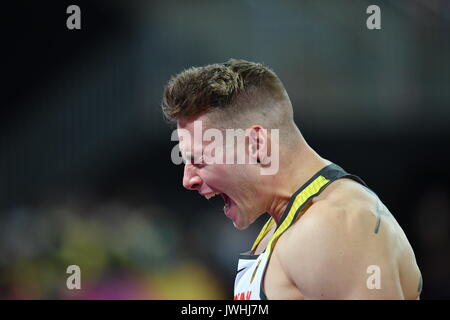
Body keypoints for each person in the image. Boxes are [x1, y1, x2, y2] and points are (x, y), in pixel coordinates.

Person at [161, 59, 422, 300]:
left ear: (256, 144)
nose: (188, 180)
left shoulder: (333, 224)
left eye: (199, 159)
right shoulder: (284, 221)